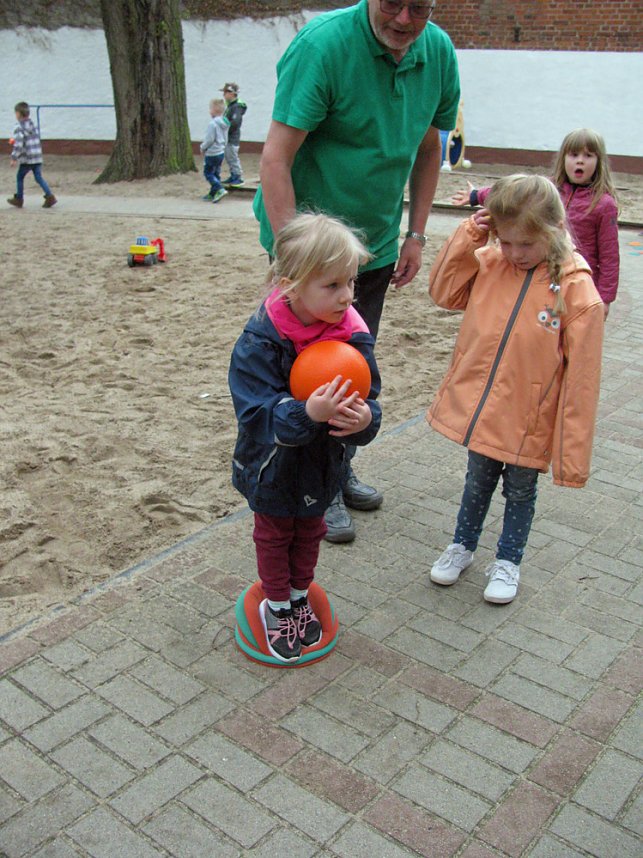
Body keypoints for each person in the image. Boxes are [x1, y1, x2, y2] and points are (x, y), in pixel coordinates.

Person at [253, 0, 461, 543]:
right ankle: (309, 489)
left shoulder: (436, 50)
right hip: (309, 253)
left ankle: (338, 470)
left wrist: (415, 232)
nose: (403, 18)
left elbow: (427, 148)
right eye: (392, 2)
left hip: (373, 248)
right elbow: (275, 159)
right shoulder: (323, 46)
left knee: (351, 363)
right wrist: (292, 264)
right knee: (302, 372)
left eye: (420, 7)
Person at [427, 174, 604, 604]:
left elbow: (583, 383)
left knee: (521, 491)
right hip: (484, 412)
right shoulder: (490, 262)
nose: (514, 253)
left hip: (529, 418)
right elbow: (444, 292)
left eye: (525, 244)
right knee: (476, 482)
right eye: (505, 241)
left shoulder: (577, 291)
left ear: (555, 231)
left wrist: (571, 457)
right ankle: (462, 546)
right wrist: (472, 234)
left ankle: (508, 560)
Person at [228, 212, 382, 661]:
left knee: (310, 530)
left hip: (323, 464)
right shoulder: (262, 339)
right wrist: (305, 412)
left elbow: (369, 393)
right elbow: (254, 410)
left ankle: (299, 595)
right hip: (272, 464)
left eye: (351, 282)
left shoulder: (352, 335)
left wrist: (364, 420)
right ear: (291, 285)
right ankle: (277, 605)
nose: (348, 295)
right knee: (276, 533)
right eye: (332, 285)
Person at [452, 128, 619, 319]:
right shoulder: (548, 189)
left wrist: (605, 299)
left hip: (577, 278)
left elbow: (609, 257)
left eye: (588, 155)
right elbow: (512, 195)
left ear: (599, 162)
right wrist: (476, 195)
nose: (580, 160)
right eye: (573, 155)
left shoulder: (604, 204)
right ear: (563, 158)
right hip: (542, 270)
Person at [7, 101, 56, 209]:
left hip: (27, 158)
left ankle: (19, 198)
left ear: (19, 114)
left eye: (15, 113)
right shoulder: (32, 124)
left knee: (20, 176)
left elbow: (19, 143)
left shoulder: (19, 127)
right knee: (38, 177)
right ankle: (50, 196)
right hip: (37, 156)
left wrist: (14, 157)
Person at [199, 98, 229, 203]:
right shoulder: (225, 123)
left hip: (212, 153)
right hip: (220, 152)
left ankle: (219, 188)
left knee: (208, 173)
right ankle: (213, 193)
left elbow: (209, 139)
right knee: (216, 172)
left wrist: (203, 147)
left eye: (210, 108)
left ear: (214, 110)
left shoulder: (212, 124)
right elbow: (225, 138)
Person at [220, 82, 247, 187]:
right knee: (228, 156)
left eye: (225, 92)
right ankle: (233, 175)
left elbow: (235, 122)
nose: (224, 95)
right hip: (228, 137)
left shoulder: (236, 107)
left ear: (232, 93)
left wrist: (226, 129)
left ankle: (238, 177)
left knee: (232, 156)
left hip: (232, 137)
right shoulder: (231, 106)